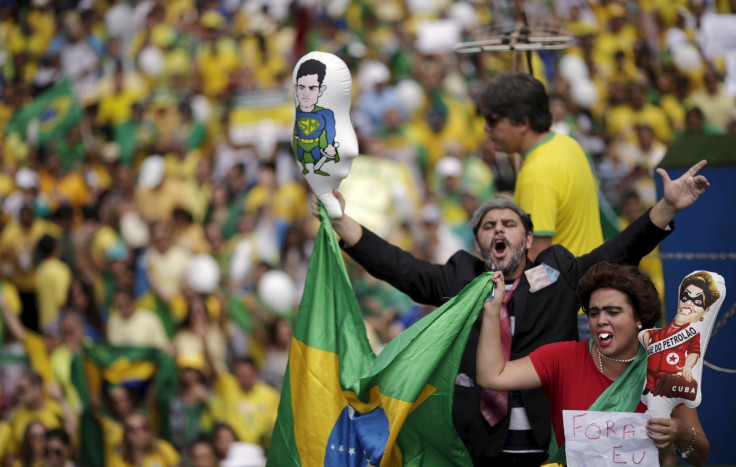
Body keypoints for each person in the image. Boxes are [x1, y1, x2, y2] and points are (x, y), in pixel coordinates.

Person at [313, 160, 709, 465]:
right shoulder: (460, 279)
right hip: (476, 447)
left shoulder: (558, 275)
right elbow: (400, 267)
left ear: (529, 238)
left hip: (552, 444)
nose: (498, 229)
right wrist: (342, 222)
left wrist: (666, 207)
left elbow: (619, 251)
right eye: (488, 225)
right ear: (478, 241)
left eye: (509, 223)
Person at [477, 263, 710, 466]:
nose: (601, 321)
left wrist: (679, 432)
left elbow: (699, 457)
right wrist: (491, 310)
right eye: (594, 312)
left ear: (639, 317)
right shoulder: (561, 357)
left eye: (614, 312)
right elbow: (492, 376)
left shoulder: (664, 368)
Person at [478, 72, 602, 260]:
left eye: (493, 120)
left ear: (522, 123)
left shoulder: (537, 174)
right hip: (587, 278)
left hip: (566, 287)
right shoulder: (569, 144)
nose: (486, 127)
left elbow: (538, 262)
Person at [641, 271, 720, 412]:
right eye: (686, 297)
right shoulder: (660, 330)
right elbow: (648, 336)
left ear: (705, 310)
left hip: (668, 383)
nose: (689, 303)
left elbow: (694, 352)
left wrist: (688, 366)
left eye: (697, 301)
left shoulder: (693, 334)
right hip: (649, 383)